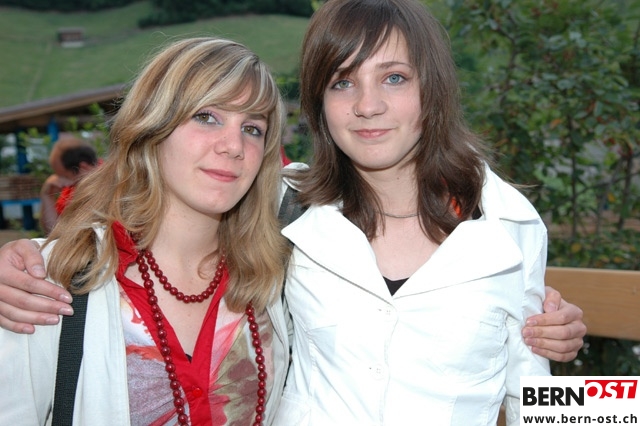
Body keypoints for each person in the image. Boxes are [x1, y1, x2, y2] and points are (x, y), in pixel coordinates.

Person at [270, 0, 578, 424]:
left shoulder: (509, 224)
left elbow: (537, 398)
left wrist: (576, 357)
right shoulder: (288, 207)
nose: (368, 105)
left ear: (432, 88)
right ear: (319, 100)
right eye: (342, 82)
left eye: (394, 78)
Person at [0, 37, 291, 425]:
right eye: (207, 116)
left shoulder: (280, 276)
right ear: (153, 126)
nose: (233, 146)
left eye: (252, 128)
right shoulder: (51, 280)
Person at [39, 135, 98, 234]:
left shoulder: (108, 187)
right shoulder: (72, 187)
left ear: (83, 167)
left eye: (64, 176)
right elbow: (53, 231)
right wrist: (47, 195)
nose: (59, 180)